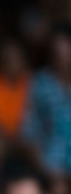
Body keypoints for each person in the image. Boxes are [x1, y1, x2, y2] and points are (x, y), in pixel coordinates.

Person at [22, 24, 71, 181]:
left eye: (66, 49)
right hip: (51, 166)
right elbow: (30, 129)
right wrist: (45, 169)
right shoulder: (40, 83)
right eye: (57, 50)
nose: (62, 55)